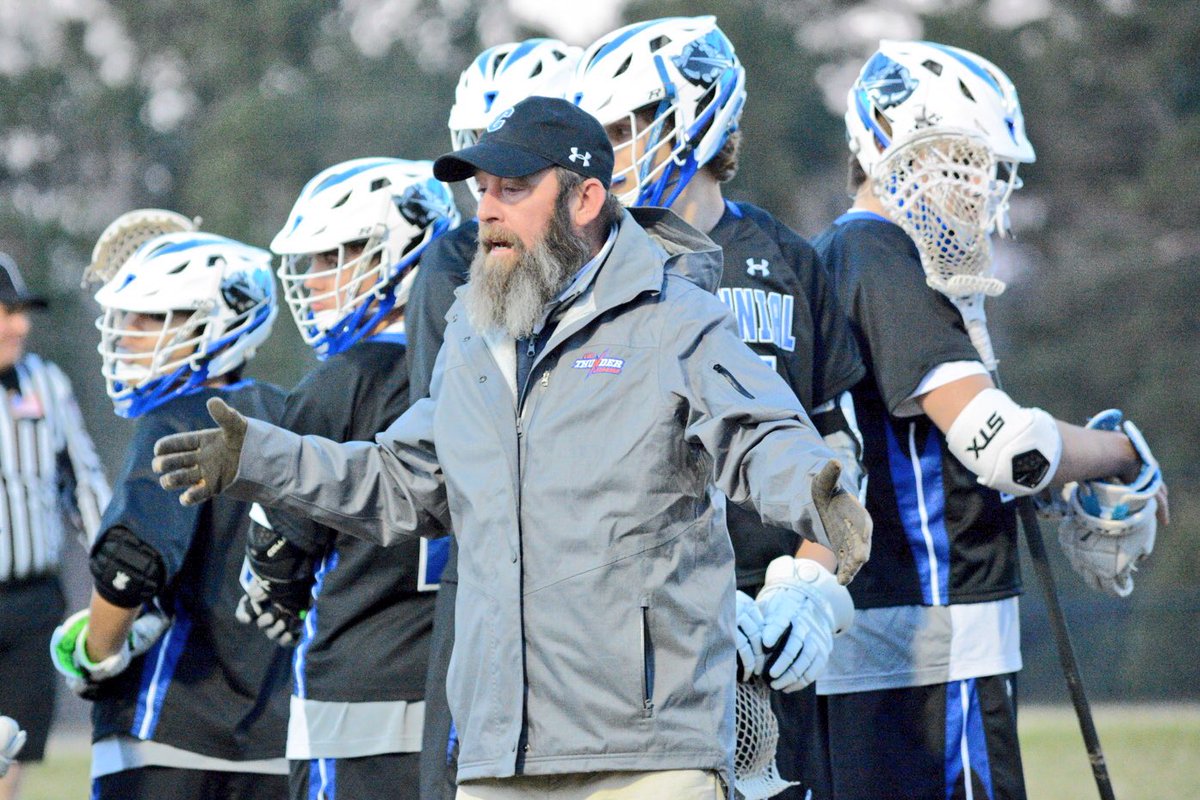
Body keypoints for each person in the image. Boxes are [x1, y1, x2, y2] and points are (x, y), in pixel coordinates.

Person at [152, 97, 871, 800]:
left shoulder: (676, 318)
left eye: (514, 189)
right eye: (482, 191)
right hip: (499, 756)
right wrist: (261, 460)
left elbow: (759, 433)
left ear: (586, 199)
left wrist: (819, 493)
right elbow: (406, 479)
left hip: (651, 755)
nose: (487, 210)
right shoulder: (473, 336)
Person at [806, 40, 1169, 799]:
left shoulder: (853, 257)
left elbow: (937, 455)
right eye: (956, 159)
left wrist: (1048, 490)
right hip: (932, 645)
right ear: (889, 148)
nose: (976, 186)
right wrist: (1119, 451)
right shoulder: (876, 254)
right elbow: (1008, 448)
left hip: (888, 646)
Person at [572, 17, 867, 796]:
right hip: (634, 648)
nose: (608, 150)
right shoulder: (581, 275)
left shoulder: (788, 261)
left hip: (772, 639)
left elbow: (839, 454)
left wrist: (810, 590)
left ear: (698, 115)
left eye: (626, 126)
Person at [237, 157, 460, 800]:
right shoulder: (489, 365)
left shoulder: (345, 380)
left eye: (335, 257)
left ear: (405, 249)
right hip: (468, 704)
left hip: (356, 703)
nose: (315, 281)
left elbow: (275, 555)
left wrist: (278, 593)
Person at [51, 230, 291, 799]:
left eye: (150, 320)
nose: (128, 338)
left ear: (217, 324)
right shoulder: (294, 414)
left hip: (167, 734)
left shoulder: (175, 418)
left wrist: (97, 652)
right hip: (280, 738)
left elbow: (131, 561)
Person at [408, 38, 582, 800]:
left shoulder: (644, 264)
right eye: (485, 174)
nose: (489, 200)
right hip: (496, 585)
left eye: (514, 175)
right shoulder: (456, 262)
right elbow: (442, 451)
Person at [0, 251, 110, 800]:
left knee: (16, 742)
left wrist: (117, 564)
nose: (19, 324)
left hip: (32, 599)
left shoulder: (47, 383)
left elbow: (84, 484)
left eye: (21, 311)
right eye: (4, 310)